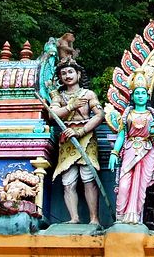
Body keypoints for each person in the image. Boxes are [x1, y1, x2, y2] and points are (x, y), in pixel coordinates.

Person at [45, 59, 104, 225]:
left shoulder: (88, 94)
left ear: (78, 74)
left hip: (86, 137)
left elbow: (100, 115)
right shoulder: (59, 96)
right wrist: (71, 106)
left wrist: (81, 131)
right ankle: (74, 218)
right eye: (63, 73)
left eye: (70, 72)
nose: (67, 76)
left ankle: (94, 219)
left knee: (89, 179)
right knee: (68, 181)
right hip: (67, 140)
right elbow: (52, 114)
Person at [108, 70, 154, 225]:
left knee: (141, 188)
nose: (140, 96)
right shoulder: (128, 114)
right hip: (129, 149)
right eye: (137, 93)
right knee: (124, 185)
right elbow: (122, 134)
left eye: (143, 93)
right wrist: (114, 152)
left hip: (147, 152)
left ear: (147, 96)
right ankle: (120, 218)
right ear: (132, 96)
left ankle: (136, 219)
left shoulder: (152, 115)